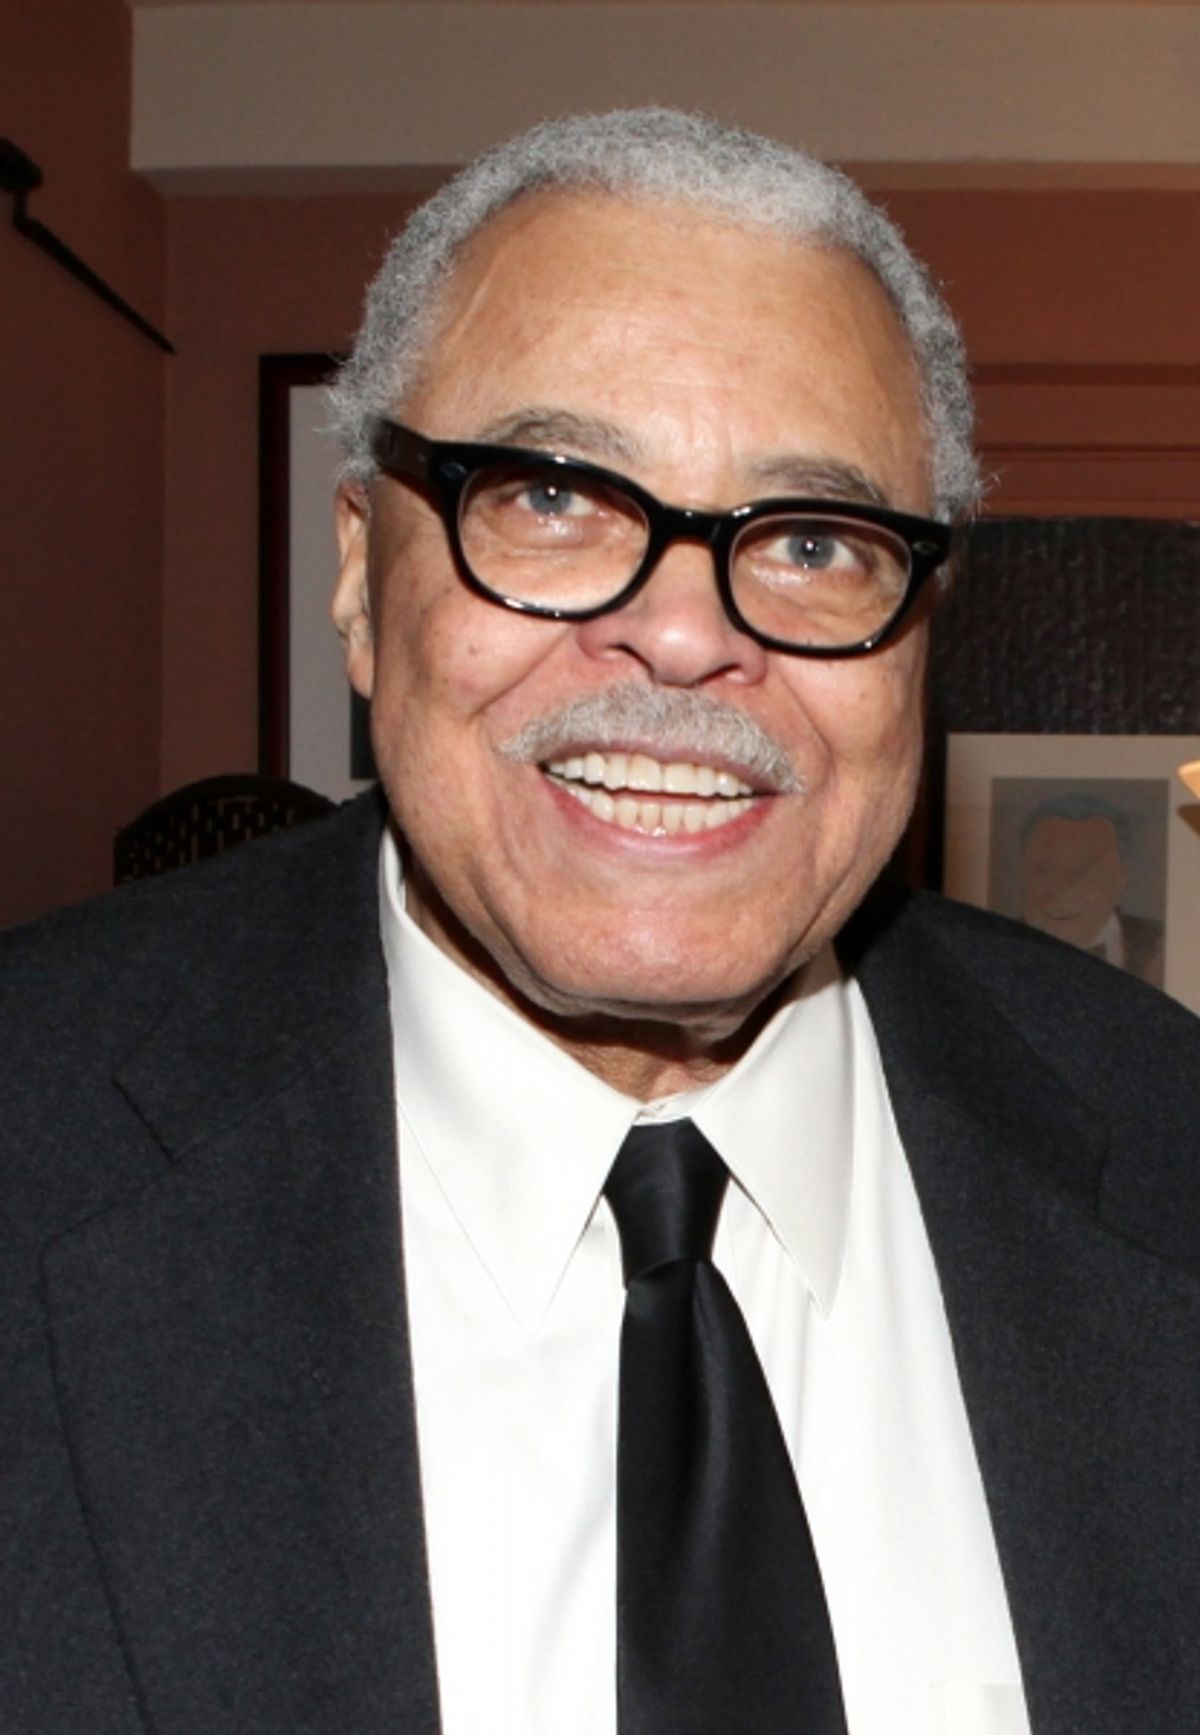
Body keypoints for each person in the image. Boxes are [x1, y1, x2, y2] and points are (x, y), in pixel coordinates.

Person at [3, 108, 1199, 1735]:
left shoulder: (1165, 1152)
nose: (687, 638)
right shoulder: (36, 1132)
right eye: (553, 499)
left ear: (924, 629)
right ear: (360, 573)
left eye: (813, 539)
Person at [1017, 790, 1164, 985]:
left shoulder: (1165, 945)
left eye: (1080, 873)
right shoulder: (990, 946)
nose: (1061, 891)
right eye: (1043, 871)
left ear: (1121, 876)